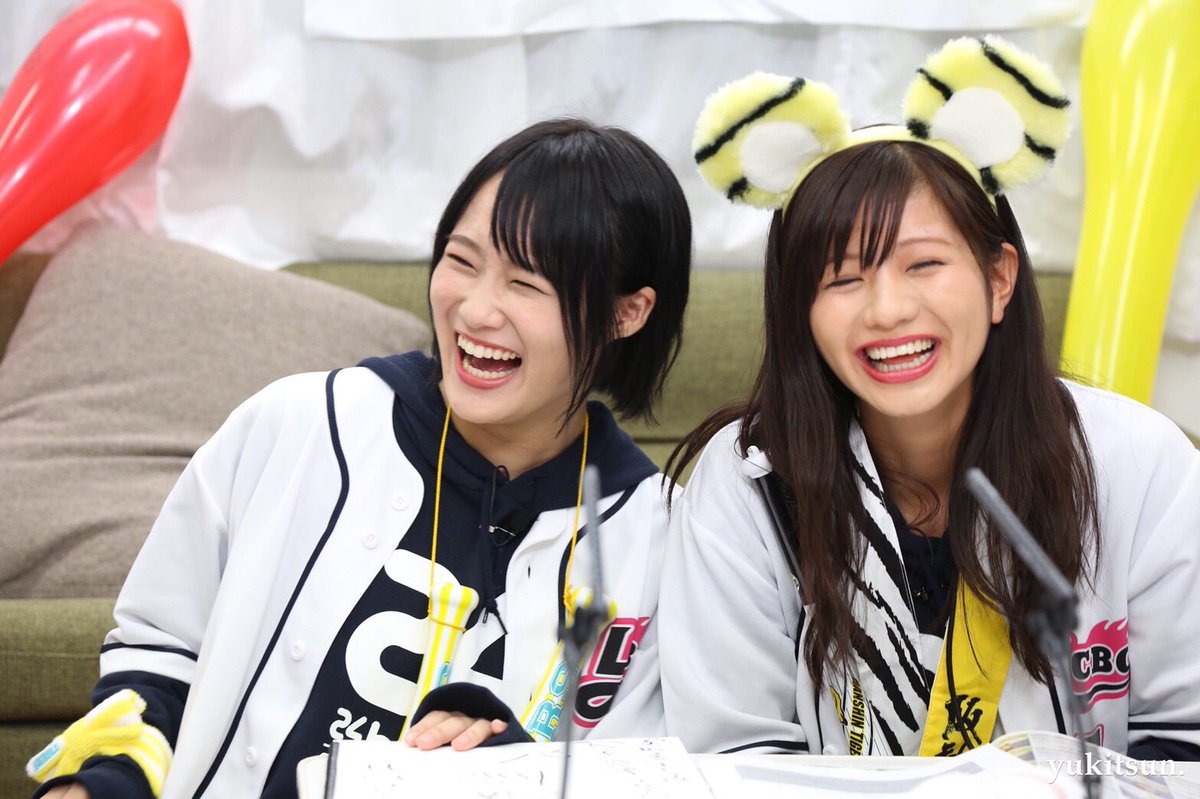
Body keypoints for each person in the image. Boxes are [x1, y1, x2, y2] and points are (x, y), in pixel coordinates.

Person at [30, 117, 691, 798]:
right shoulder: (298, 426)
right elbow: (159, 652)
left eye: (525, 284)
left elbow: (646, 771)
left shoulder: (656, 538)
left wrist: (509, 769)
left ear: (628, 312)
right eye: (462, 261)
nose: (475, 309)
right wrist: (97, 784)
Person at [660, 37, 1200, 760]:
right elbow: (731, 757)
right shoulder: (749, 481)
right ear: (799, 309)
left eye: (924, 264)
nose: (887, 310)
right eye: (842, 277)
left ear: (999, 279)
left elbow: (1187, 737)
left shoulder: (1141, 462)